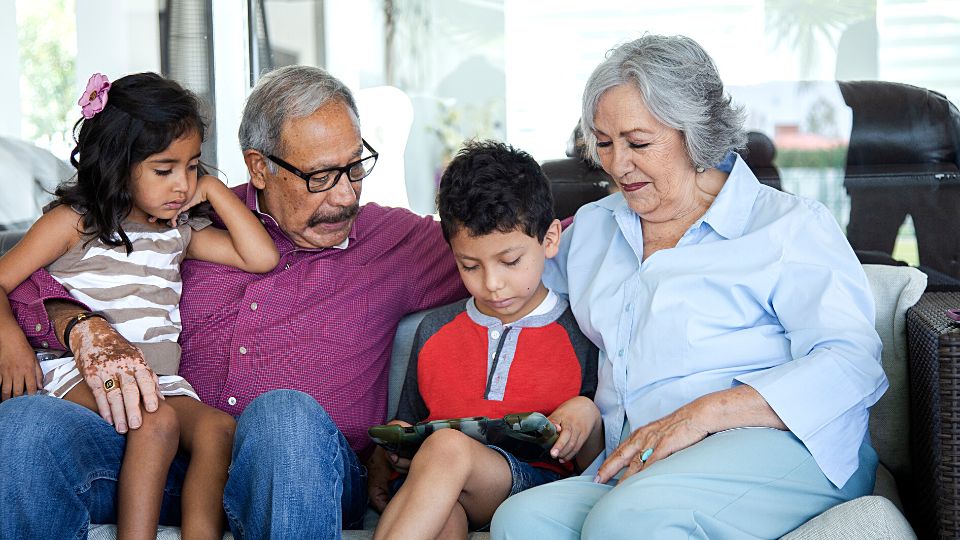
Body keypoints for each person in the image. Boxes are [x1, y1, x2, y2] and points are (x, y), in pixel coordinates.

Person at [0, 65, 466, 538]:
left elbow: (508, 252)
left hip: (305, 473)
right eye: (322, 176)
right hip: (165, 464)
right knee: (24, 425)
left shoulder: (395, 241)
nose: (346, 195)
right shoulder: (181, 216)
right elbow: (32, 273)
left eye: (355, 166)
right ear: (260, 166)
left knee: (283, 416)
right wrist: (75, 321)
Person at [490, 34, 888, 539]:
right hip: (650, 460)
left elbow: (852, 363)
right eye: (604, 143)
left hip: (784, 445)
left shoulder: (786, 226)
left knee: (629, 519)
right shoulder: (593, 228)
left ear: (695, 134)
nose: (616, 165)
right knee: (523, 521)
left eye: (638, 143)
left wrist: (705, 415)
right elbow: (508, 274)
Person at [0, 72, 279, 538]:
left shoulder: (177, 233)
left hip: (161, 379)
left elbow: (261, 257)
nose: (181, 184)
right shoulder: (75, 224)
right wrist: (10, 343)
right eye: (164, 169)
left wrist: (211, 191)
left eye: (192, 167)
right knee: (158, 422)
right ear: (118, 163)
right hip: (78, 371)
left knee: (217, 430)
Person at [372, 141, 602, 539]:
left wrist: (587, 414)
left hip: (534, 486)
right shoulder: (434, 330)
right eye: (470, 265)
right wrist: (391, 448)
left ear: (549, 240)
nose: (492, 285)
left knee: (446, 448)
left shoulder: (581, 329)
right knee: (443, 517)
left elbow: (594, 461)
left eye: (510, 262)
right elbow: (407, 419)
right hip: (446, 487)